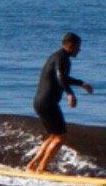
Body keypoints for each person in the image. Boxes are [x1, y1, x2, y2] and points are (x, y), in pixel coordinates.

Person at [28, 33, 92, 175]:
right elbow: (60, 77)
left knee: (53, 136)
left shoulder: (55, 56)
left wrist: (81, 83)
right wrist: (70, 94)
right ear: (70, 44)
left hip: (39, 101)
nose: (79, 50)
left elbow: (62, 77)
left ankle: (32, 165)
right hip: (48, 102)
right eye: (78, 46)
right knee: (60, 137)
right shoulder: (62, 58)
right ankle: (42, 168)